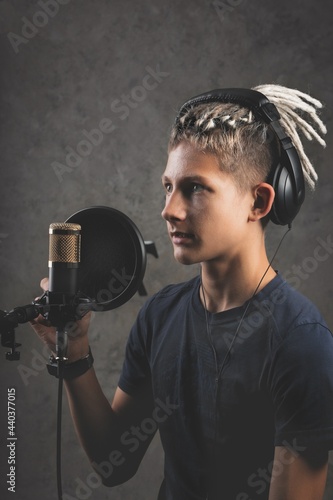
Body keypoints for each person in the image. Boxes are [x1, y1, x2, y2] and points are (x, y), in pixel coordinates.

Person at [31, 84, 333, 500]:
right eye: (168, 186)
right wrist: (74, 353)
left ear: (259, 202)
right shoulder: (159, 317)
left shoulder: (301, 341)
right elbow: (113, 462)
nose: (169, 210)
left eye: (195, 188)